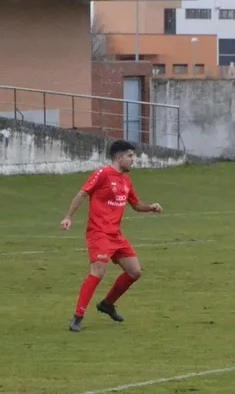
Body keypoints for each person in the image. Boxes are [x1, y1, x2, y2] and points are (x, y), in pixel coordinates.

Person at [61, 140, 163, 332]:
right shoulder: (102, 174)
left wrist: (150, 207)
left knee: (135, 272)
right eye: (130, 156)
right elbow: (82, 194)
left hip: (116, 235)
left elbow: (136, 204)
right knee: (98, 272)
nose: (133, 160)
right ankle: (78, 317)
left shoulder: (126, 181)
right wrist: (68, 217)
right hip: (98, 232)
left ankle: (107, 304)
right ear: (119, 157)